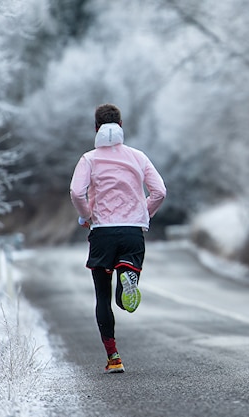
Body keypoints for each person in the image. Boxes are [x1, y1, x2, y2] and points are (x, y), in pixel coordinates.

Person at [70, 103, 166, 373]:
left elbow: (77, 193)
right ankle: (126, 274)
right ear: (121, 127)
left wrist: (87, 215)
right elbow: (159, 191)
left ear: (96, 128)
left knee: (102, 296)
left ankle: (114, 357)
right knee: (123, 292)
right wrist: (141, 214)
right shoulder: (138, 157)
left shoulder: (89, 159)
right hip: (132, 231)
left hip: (102, 233)